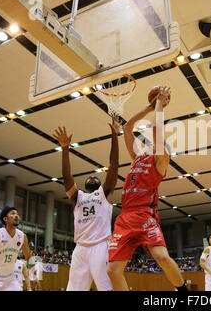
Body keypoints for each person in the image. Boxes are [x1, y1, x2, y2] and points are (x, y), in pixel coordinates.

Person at [107, 87, 188, 291]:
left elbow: (156, 130)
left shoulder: (159, 164)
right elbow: (127, 129)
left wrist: (160, 104)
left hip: (145, 216)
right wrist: (148, 108)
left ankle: (183, 290)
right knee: (112, 270)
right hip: (125, 218)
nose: (155, 145)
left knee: (160, 256)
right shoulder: (138, 158)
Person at [52, 119, 120, 291]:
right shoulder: (77, 196)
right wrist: (65, 149)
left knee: (106, 287)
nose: (92, 177)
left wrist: (115, 136)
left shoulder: (104, 193)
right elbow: (66, 177)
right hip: (80, 248)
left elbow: (113, 166)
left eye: (95, 177)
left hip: (100, 246)